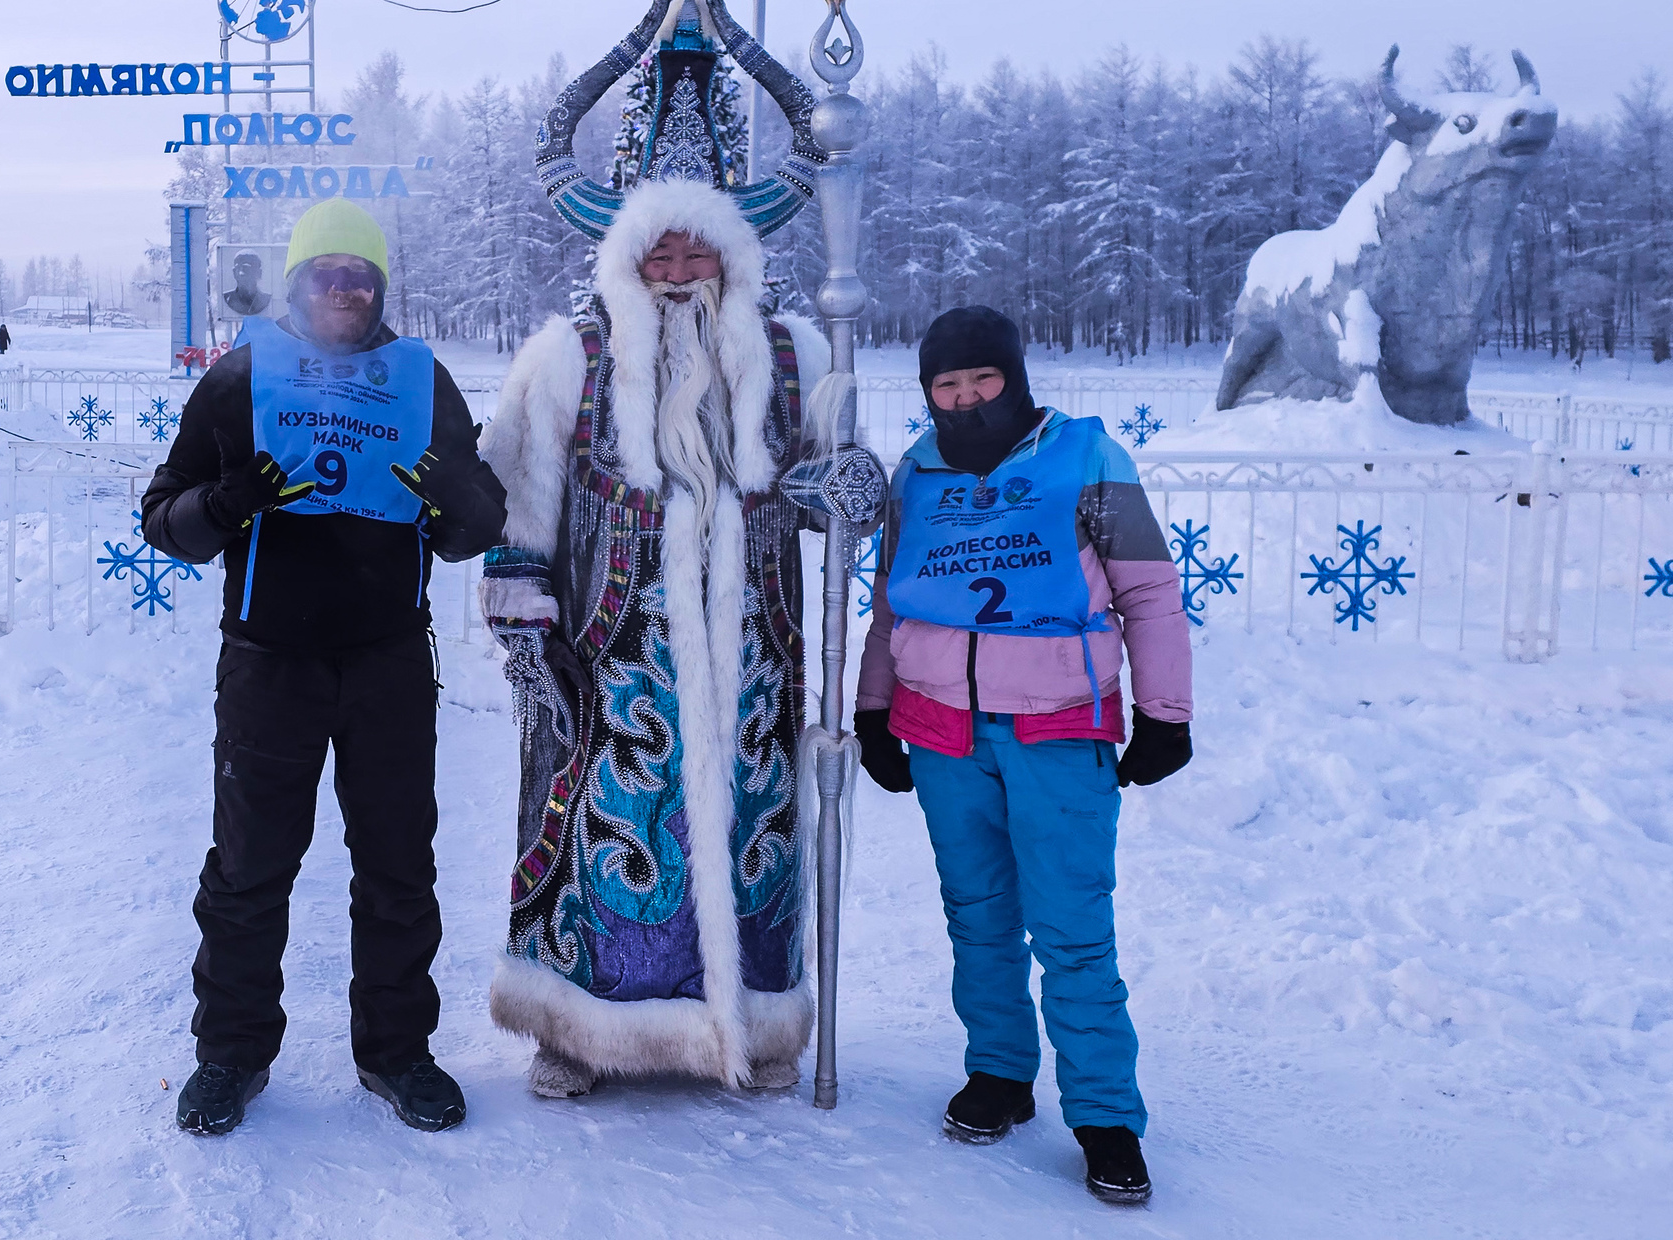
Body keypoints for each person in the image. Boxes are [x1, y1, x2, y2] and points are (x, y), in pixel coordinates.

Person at [479, 180, 880, 1098]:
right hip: (610, 650)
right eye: (658, 257)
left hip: (755, 651)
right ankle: (577, 1032)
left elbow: (836, 486)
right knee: (595, 825)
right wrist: (526, 633)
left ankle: (757, 1023)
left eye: (696, 254)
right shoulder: (570, 359)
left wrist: (849, 487)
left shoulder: (797, 354)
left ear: (731, 260)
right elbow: (522, 502)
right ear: (625, 264)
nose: (677, 274)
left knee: (756, 831)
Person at [141, 197, 506, 1137]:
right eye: (326, 275)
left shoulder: (420, 381)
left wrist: (454, 498)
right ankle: (230, 1056)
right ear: (298, 284)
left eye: (361, 277)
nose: (344, 291)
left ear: (381, 288)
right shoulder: (242, 376)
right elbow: (162, 518)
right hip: (270, 663)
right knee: (250, 869)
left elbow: (478, 526)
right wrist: (226, 504)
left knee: (397, 868)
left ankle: (397, 1054)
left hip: (387, 661)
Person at [852, 305, 1193, 1206]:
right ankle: (1000, 1072)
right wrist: (874, 707)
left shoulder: (1085, 458)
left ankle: (1106, 1115)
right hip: (940, 731)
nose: (964, 398)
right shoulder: (915, 473)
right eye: (946, 385)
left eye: (981, 379)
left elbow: (1151, 594)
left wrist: (1165, 713)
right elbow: (893, 605)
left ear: (1015, 376)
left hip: (1058, 723)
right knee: (977, 913)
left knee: (1073, 928)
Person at [222, 250, 272, 317]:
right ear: (234, 272)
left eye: (246, 268)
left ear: (258, 273)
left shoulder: (266, 299)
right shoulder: (228, 298)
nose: (241, 273)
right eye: (237, 268)